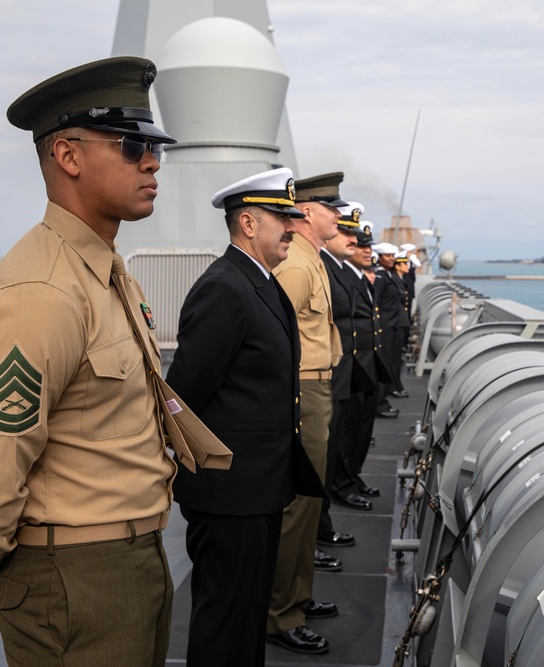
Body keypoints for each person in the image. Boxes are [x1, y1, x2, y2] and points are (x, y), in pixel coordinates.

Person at [0, 57, 185, 666]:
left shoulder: (105, 273)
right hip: (74, 578)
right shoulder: (41, 294)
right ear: (68, 156)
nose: (151, 161)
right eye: (131, 145)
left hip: (132, 561)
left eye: (154, 147)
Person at [166, 168, 324, 666]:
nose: (294, 229)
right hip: (229, 493)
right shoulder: (225, 289)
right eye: (284, 218)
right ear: (249, 223)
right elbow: (185, 394)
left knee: (248, 617)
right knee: (224, 620)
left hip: (257, 488)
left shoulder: (259, 283)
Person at [267, 172, 347, 654]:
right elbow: (276, 333)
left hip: (317, 386)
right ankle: (280, 613)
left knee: (310, 500)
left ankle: (297, 597)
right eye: (332, 207)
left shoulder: (310, 258)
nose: (339, 215)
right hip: (303, 389)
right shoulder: (296, 265)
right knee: (298, 506)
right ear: (310, 213)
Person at [319, 203, 374, 516]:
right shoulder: (320, 266)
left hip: (349, 369)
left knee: (345, 436)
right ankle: (329, 507)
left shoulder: (337, 268)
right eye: (346, 231)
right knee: (331, 445)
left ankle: (342, 488)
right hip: (329, 373)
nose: (353, 240)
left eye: (355, 233)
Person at [333, 227, 392, 500]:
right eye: (360, 245)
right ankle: (342, 484)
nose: (367, 250)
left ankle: (352, 477)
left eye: (369, 245)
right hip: (352, 367)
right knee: (347, 431)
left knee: (361, 430)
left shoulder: (362, 278)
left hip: (368, 366)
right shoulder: (344, 276)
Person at [374, 242, 411, 399]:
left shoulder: (389, 275)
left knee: (392, 360)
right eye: (387, 256)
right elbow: (376, 302)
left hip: (394, 325)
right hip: (385, 326)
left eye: (392, 256)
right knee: (385, 361)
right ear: (379, 258)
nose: (391, 259)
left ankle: (388, 390)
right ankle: (381, 397)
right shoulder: (380, 277)